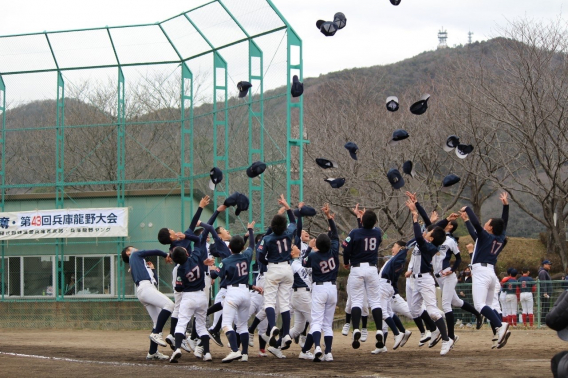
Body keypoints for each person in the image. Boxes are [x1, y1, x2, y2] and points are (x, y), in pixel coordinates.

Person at [461, 191, 511, 349]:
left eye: (488, 223)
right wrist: (506, 206)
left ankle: (500, 326)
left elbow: (476, 225)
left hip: (481, 273)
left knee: (480, 305)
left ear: (490, 228)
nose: (485, 224)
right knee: (491, 305)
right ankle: (498, 331)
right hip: (490, 273)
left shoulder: (486, 236)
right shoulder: (499, 238)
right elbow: (504, 223)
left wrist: (468, 209)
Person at [405, 199, 454, 355]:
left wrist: (414, 216)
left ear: (431, 238)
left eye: (429, 232)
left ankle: (446, 339)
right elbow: (429, 227)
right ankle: (433, 330)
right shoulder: (427, 241)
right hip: (416, 280)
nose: (426, 231)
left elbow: (420, 237)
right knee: (413, 310)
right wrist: (420, 208)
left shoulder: (429, 246)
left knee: (433, 311)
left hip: (425, 280)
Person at [212, 221, 260, 363]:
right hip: (246, 293)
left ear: (230, 247)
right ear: (242, 247)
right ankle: (244, 354)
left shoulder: (226, 260)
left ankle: (234, 350)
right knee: (242, 325)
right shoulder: (246, 256)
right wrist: (250, 230)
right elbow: (252, 245)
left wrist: (213, 268)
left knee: (226, 324)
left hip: (233, 292)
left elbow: (216, 275)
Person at [168, 220, 216, 363]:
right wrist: (187, 237)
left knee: (181, 324)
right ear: (186, 253)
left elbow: (178, 288)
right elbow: (200, 240)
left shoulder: (180, 270)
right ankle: (207, 353)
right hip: (201, 296)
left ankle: (177, 348)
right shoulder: (195, 258)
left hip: (188, 297)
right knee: (201, 326)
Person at [257, 194, 297, 358]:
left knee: (269, 302)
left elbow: (259, 257)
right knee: (285, 303)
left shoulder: (267, 238)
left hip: (273, 268)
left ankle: (273, 326)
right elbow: (294, 222)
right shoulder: (288, 234)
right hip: (287, 269)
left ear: (272, 226)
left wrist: (267, 264)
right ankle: (286, 333)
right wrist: (287, 207)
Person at [300, 204, 339, 362]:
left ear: (317, 245)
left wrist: (310, 249)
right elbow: (335, 234)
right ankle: (328, 352)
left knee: (316, 321)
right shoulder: (333, 252)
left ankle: (316, 347)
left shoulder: (314, 256)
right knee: (328, 324)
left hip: (319, 289)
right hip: (332, 289)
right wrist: (329, 217)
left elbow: (303, 262)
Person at [343, 207, 385, 351]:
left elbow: (346, 248)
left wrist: (346, 261)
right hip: (372, 268)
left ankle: (355, 329)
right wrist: (363, 220)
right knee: (375, 301)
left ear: (361, 221)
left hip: (357, 268)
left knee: (356, 301)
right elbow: (367, 233)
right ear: (375, 222)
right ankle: (379, 330)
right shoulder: (378, 233)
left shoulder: (355, 232)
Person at [121, 245, 174, 360]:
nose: (136, 249)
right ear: (128, 253)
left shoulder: (139, 263)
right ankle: (157, 334)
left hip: (146, 290)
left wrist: (152, 269)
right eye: (133, 248)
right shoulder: (135, 255)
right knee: (170, 305)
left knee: (156, 322)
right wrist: (166, 255)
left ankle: (152, 352)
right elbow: (154, 250)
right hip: (145, 288)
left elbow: (155, 283)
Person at [538, 260, 553, 324]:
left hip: (547, 292)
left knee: (546, 306)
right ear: (544, 265)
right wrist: (545, 292)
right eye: (548, 264)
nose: (550, 265)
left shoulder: (545, 272)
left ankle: (544, 321)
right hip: (545, 293)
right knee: (545, 306)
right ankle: (543, 321)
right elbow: (543, 282)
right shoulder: (543, 272)